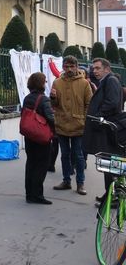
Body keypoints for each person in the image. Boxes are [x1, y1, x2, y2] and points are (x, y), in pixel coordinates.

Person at [83, 58, 124, 204]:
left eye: (97, 68)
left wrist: (98, 115)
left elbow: (112, 102)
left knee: (110, 164)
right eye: (93, 69)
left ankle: (113, 196)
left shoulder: (111, 80)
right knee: (108, 163)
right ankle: (109, 194)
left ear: (106, 69)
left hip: (109, 128)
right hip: (107, 127)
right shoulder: (107, 81)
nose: (94, 71)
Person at [50, 56, 92, 196]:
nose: (68, 69)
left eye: (71, 66)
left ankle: (80, 183)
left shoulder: (84, 83)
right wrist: (53, 98)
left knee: (78, 156)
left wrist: (84, 120)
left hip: (78, 125)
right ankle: (66, 181)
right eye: (66, 66)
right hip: (61, 124)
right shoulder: (57, 82)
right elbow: (54, 105)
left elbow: (89, 105)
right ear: (63, 67)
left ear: (76, 66)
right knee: (64, 155)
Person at [22, 72, 55, 205]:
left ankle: (29, 194)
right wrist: (55, 130)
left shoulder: (27, 98)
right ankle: (38, 195)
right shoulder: (44, 99)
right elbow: (50, 117)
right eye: (45, 81)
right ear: (41, 83)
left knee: (31, 163)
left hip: (29, 135)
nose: (46, 83)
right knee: (41, 165)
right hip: (41, 137)